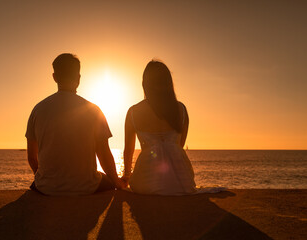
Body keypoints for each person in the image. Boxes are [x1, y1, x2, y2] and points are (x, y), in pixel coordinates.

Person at [25, 53, 124, 196]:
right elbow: (104, 155)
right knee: (106, 179)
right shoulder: (93, 110)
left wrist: (45, 179)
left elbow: (32, 157)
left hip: (46, 187)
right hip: (87, 187)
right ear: (78, 78)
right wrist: (117, 182)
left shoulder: (38, 110)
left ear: (54, 77)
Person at [121, 60, 225, 195]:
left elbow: (128, 150)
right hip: (181, 181)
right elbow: (179, 147)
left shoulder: (133, 112)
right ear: (168, 83)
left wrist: (126, 176)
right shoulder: (181, 109)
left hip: (146, 181)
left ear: (145, 84)